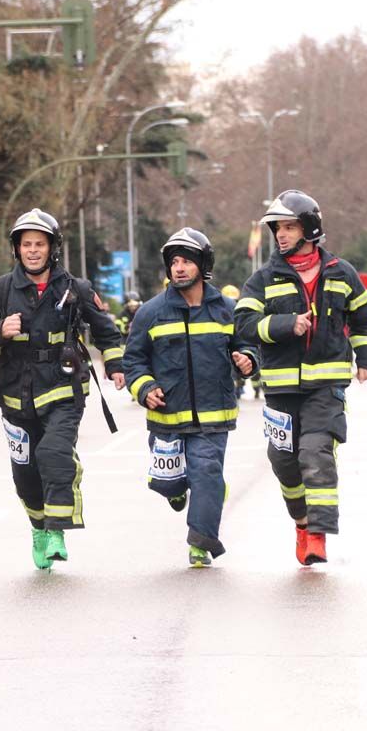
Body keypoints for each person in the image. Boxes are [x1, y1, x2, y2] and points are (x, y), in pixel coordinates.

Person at [0, 208, 125, 570]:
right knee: (25, 473)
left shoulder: (75, 289)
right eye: (26, 244)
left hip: (63, 389)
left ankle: (56, 530)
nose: (32, 250)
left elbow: (106, 331)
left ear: (52, 248)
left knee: (53, 452)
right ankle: (38, 527)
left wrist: (115, 365)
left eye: (39, 244)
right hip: (14, 395)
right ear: (16, 249)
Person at [233, 190, 367, 566]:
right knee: (283, 461)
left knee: (316, 452)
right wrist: (285, 325)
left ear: (309, 228)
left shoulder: (341, 272)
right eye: (277, 228)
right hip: (280, 389)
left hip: (326, 387)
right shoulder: (263, 279)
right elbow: (244, 324)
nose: (281, 235)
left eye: (289, 227)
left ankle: (318, 535)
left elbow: (363, 319)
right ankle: (301, 521)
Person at [122, 228, 258, 567]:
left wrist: (247, 359)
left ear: (202, 265)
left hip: (214, 417)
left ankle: (200, 542)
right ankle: (177, 488)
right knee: (168, 483)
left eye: (187, 262)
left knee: (208, 473)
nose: (179, 268)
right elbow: (134, 360)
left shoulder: (228, 310)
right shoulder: (150, 313)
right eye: (174, 263)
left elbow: (248, 345)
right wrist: (144, 388)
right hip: (167, 419)